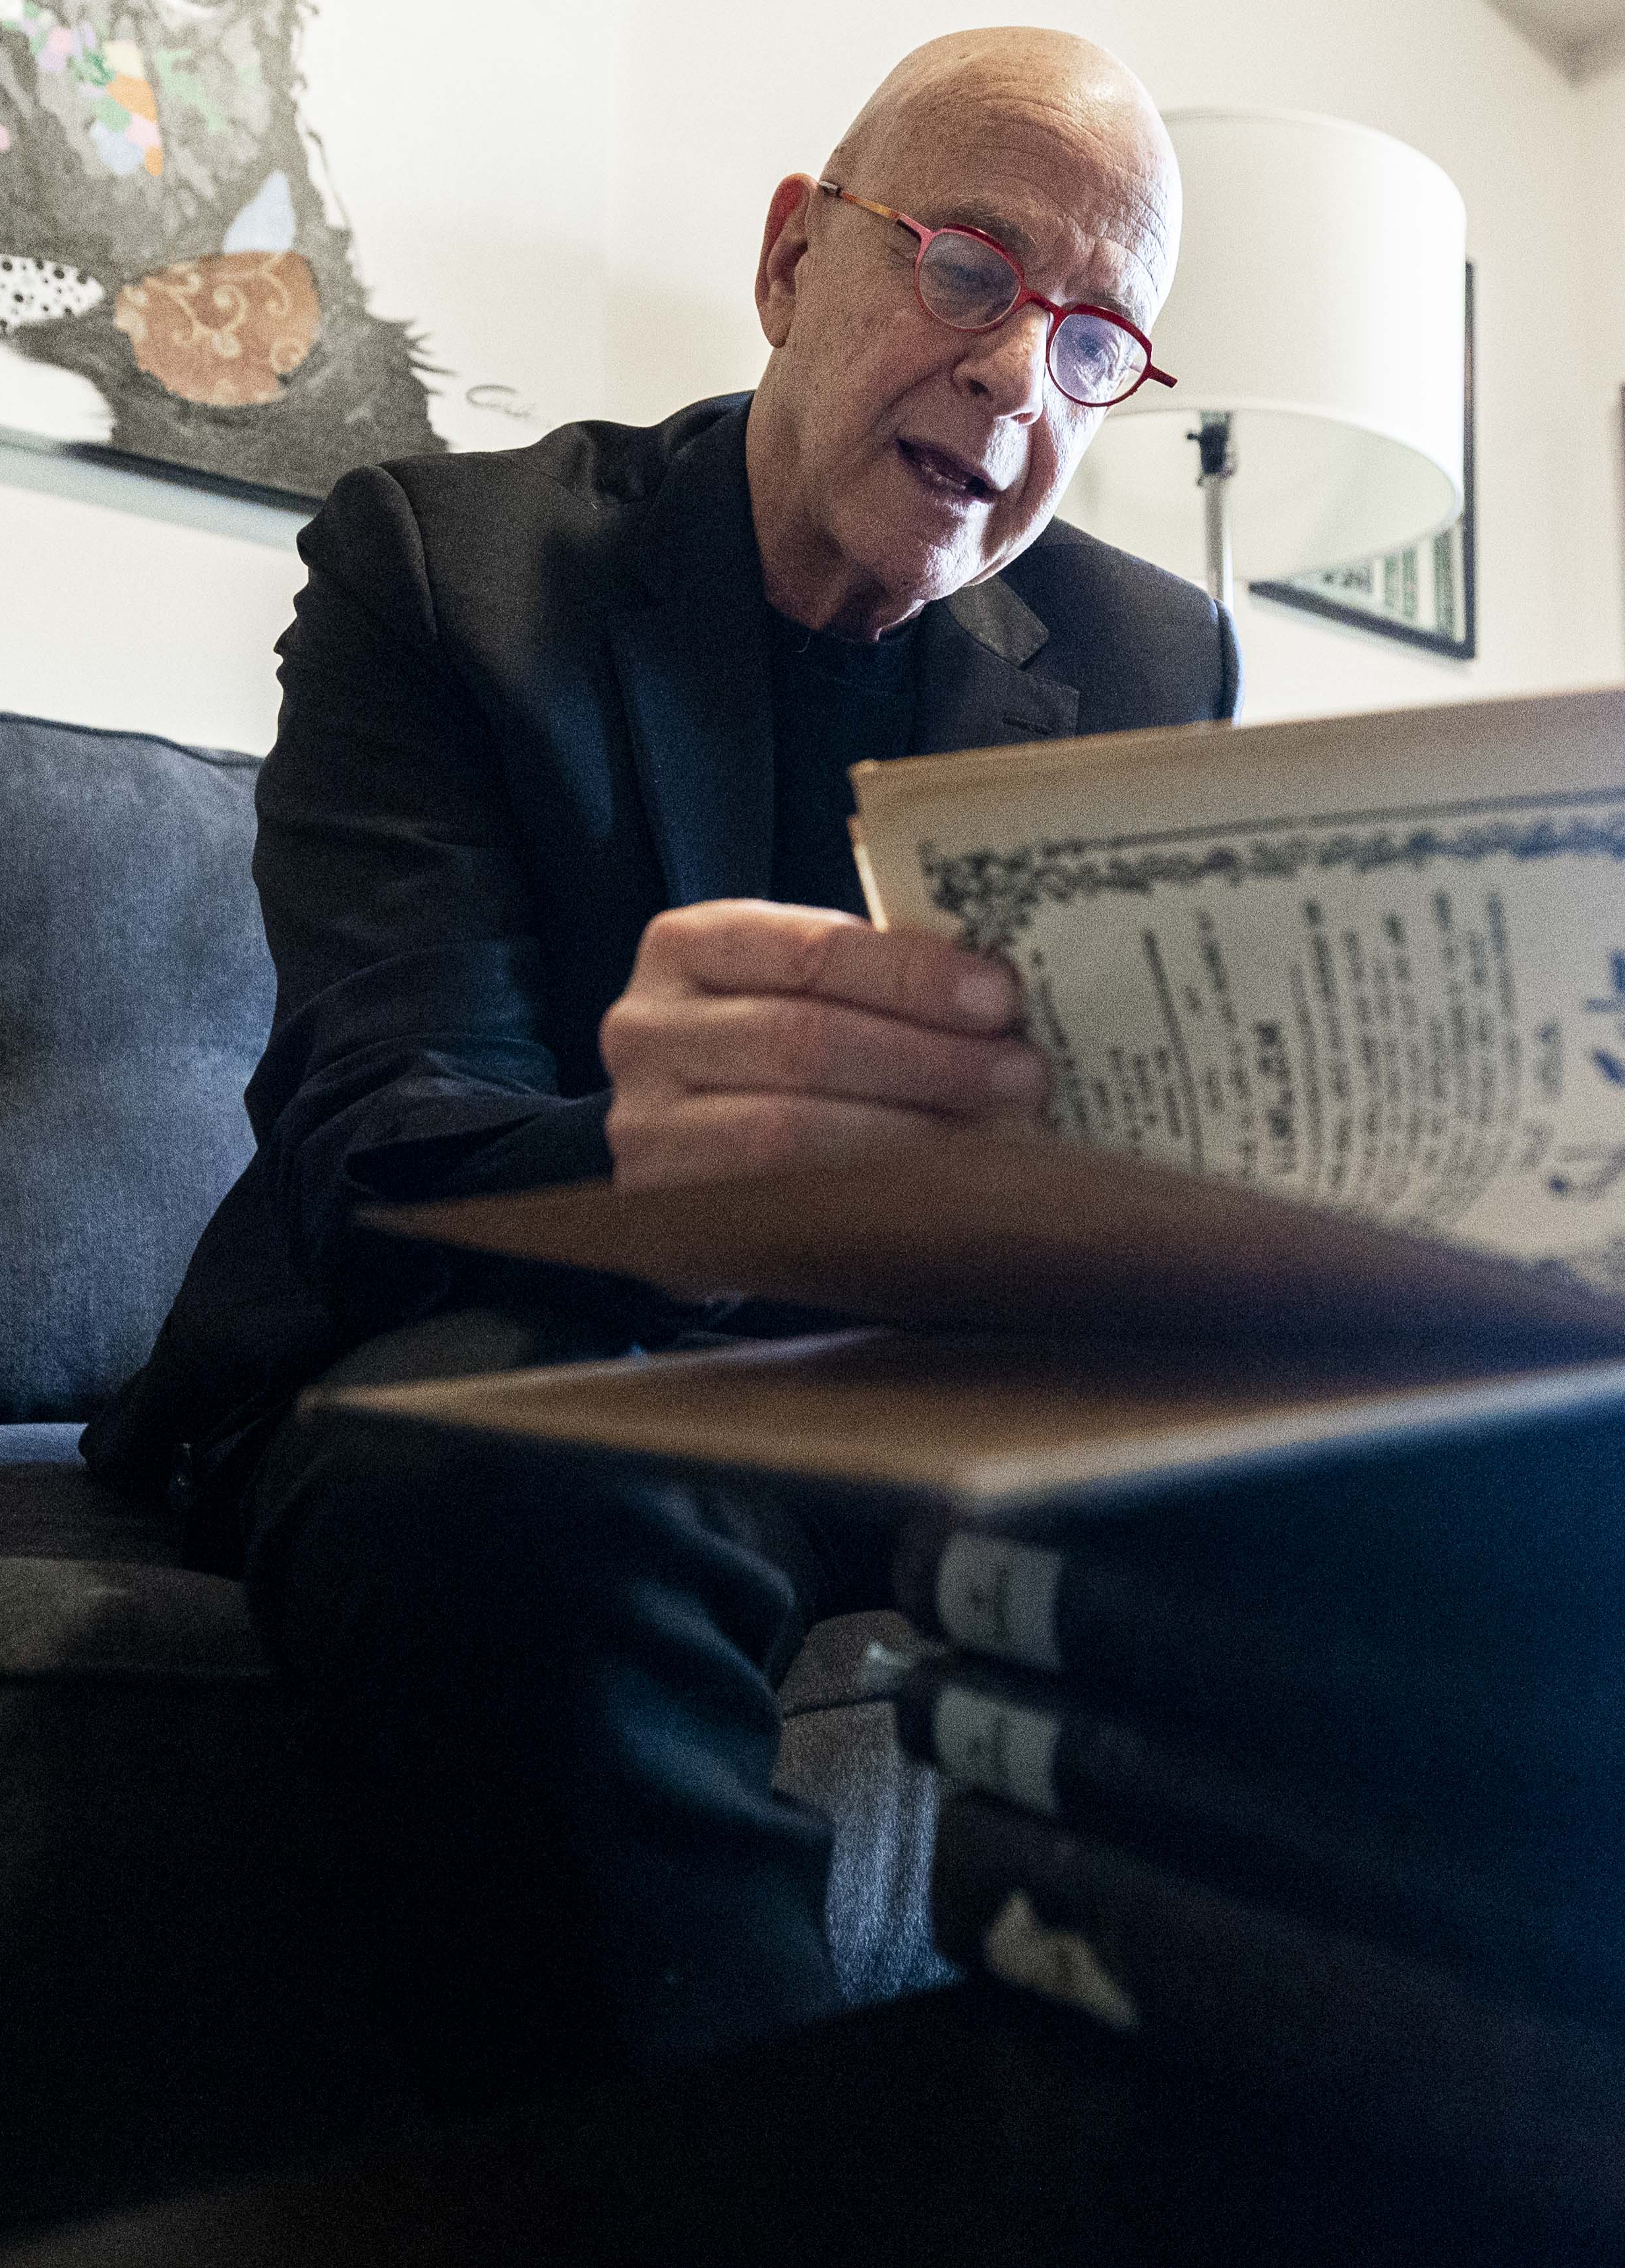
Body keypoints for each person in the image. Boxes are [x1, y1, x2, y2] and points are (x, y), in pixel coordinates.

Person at [82, 28, 1234, 2109]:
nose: (1009, 374)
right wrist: (675, 1148)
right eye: (971, 268)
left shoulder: (1154, 659)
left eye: (1093, 343)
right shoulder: (445, 569)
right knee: (486, 1492)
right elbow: (384, 1138)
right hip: (516, 1339)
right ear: (796, 258)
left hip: (935, 1388)